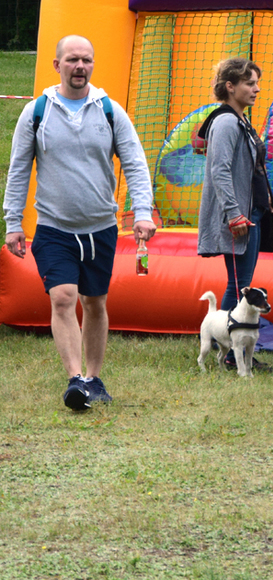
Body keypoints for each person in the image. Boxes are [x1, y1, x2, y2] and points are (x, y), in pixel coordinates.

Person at [3, 35, 156, 411]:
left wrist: (142, 212)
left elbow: (135, 162)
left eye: (86, 60)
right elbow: (20, 168)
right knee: (63, 298)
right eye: (72, 60)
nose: (80, 67)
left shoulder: (109, 110)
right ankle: (75, 381)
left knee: (95, 302)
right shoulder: (37, 112)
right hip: (54, 227)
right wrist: (13, 221)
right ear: (57, 65)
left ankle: (94, 377)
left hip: (101, 226)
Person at [196, 57, 273, 372]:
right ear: (230, 87)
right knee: (240, 284)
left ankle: (235, 349)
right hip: (240, 219)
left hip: (253, 214)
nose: (257, 89)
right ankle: (234, 350)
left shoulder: (241, 120)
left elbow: (249, 171)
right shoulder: (225, 122)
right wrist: (234, 214)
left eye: (257, 83)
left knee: (241, 282)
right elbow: (219, 171)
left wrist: (269, 201)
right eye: (250, 83)